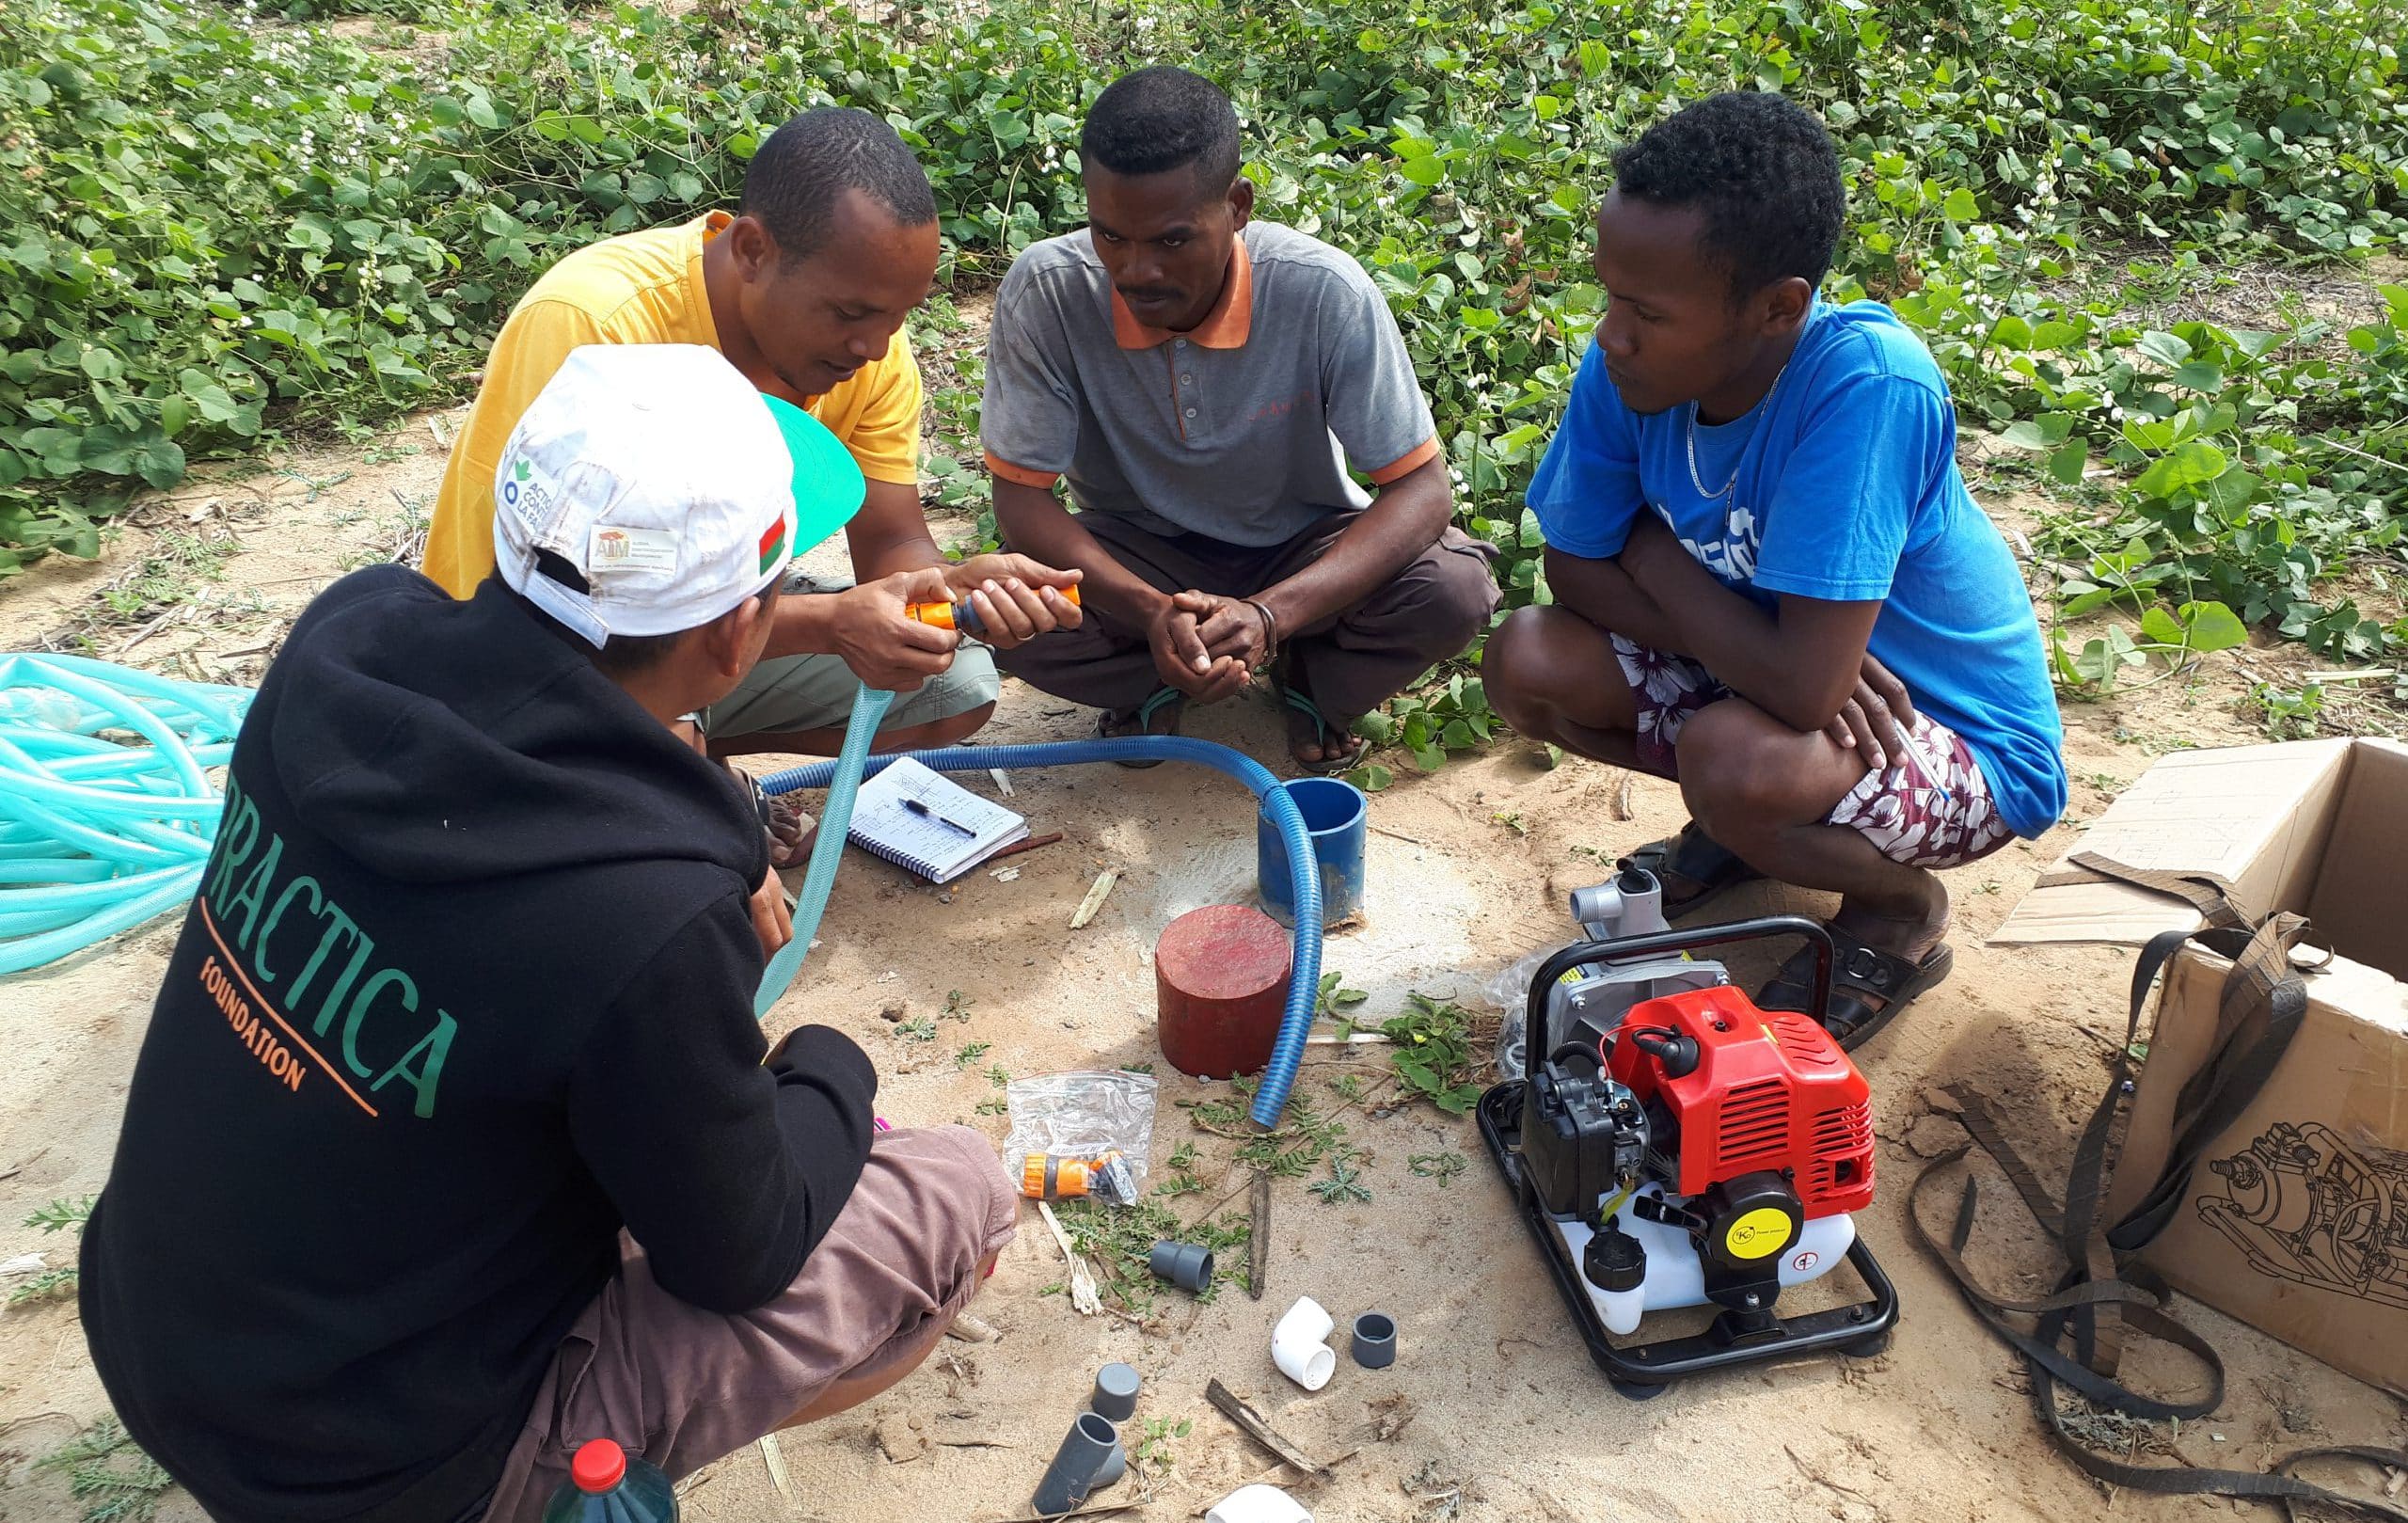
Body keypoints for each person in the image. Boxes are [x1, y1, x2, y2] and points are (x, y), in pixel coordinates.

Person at [81, 344, 1015, 1523]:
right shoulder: (644, 913)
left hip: (155, 1332)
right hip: (374, 1470)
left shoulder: (346, 632)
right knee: (960, 1192)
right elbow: (742, 1253)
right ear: (739, 633)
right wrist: (832, 1059)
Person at [1484, 92, 2067, 1049]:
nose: (1609, 334)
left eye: (1645, 311)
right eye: (1608, 297)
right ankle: (1744, 825)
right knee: (1526, 660)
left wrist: (1647, 549)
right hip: (1779, 674)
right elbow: (1570, 568)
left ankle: (1897, 910)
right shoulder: (1634, 367)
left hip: (1953, 733)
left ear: (1775, 308)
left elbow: (1802, 686)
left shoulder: (1865, 388)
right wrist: (1740, 638)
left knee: (1734, 757)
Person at [420, 105, 1082, 784]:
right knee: (670, 840)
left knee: (950, 680)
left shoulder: (868, 351)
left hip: (715, 630)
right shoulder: (592, 324)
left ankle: (692, 752)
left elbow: (890, 542)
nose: (875, 347)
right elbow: (550, 608)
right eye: (852, 313)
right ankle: (673, 769)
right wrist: (719, 808)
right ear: (752, 250)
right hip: (540, 655)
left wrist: (946, 589)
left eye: (898, 315)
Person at [979, 66, 1499, 771]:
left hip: (1300, 545)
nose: (1136, 271)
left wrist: (1271, 612)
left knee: (1454, 591)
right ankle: (1152, 681)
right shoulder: (1048, 292)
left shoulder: (1323, 292)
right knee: (1000, 610)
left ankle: (1310, 682)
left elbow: (1424, 490)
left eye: (1171, 240)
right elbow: (1019, 497)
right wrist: (1149, 609)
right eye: (1110, 235)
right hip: (1136, 551)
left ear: (1239, 206)